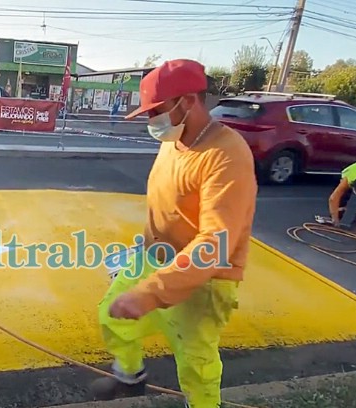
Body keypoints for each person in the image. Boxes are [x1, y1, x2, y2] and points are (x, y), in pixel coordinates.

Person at [89, 59, 258, 408]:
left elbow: (215, 244)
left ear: (189, 101)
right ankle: (130, 376)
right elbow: (170, 205)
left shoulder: (227, 155)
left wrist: (150, 293)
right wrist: (142, 249)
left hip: (206, 278)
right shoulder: (174, 140)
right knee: (111, 313)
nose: (152, 121)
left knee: (196, 362)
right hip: (153, 258)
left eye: (157, 111)